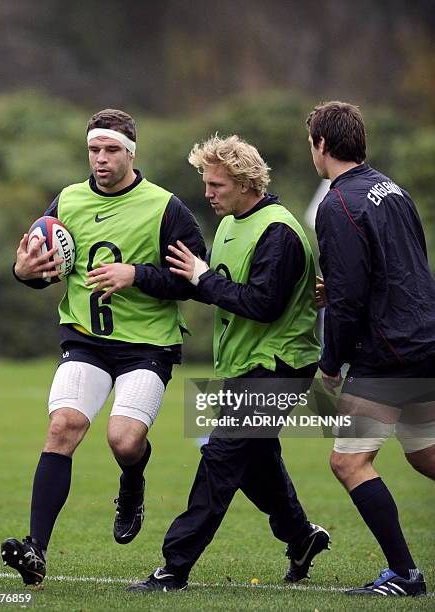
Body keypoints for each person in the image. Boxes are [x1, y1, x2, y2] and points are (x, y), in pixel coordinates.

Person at [1, 108, 206, 586]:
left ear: (131, 154)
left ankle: (131, 482)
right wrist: (23, 272)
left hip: (147, 347)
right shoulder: (67, 201)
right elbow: (38, 265)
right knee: (63, 427)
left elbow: (197, 281)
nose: (101, 159)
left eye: (111, 150)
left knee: (124, 439)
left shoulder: (166, 207)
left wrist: (137, 275)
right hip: (86, 341)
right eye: (94, 150)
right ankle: (36, 551)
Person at [128, 134, 330, 592]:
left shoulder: (277, 231)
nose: (208, 193)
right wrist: (167, 276)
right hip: (243, 365)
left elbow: (262, 305)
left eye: (216, 185)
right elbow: (214, 286)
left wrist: (202, 277)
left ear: (244, 183)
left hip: (279, 366)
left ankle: (173, 567)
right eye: (207, 183)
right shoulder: (229, 224)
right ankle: (300, 537)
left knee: (220, 458)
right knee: (254, 462)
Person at [307, 101, 435, 597]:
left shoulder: (337, 205)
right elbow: (400, 265)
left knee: (349, 462)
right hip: (422, 339)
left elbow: (349, 301)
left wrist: (331, 364)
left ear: (321, 145)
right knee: (426, 453)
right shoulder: (392, 188)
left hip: (388, 352)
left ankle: (405, 575)